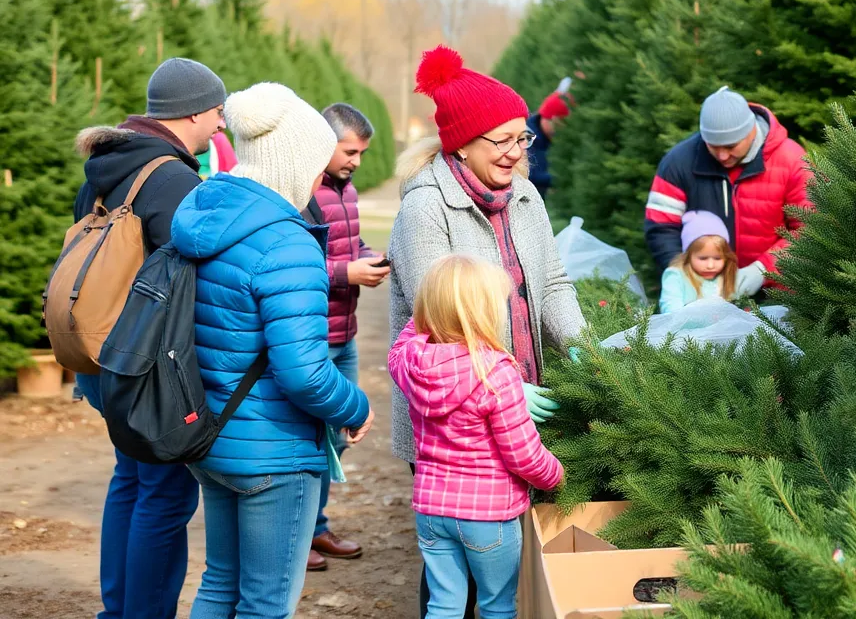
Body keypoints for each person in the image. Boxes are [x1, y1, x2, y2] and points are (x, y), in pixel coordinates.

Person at [388, 45, 585, 619]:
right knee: (457, 580)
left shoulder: (524, 196)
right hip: (454, 412)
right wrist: (493, 385)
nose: (517, 153)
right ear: (464, 142)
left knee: (497, 557)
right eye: (502, 140)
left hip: (509, 402)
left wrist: (590, 356)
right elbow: (438, 315)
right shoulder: (427, 209)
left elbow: (551, 283)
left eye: (522, 138)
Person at [171, 82, 373, 619]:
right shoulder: (288, 243)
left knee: (219, 583)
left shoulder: (206, 214)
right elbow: (304, 373)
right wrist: (356, 407)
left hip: (212, 434)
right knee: (266, 604)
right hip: (274, 454)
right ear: (293, 163)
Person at [72, 57, 226, 619]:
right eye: (216, 112)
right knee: (164, 494)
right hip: (146, 366)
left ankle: (117, 611)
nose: (221, 125)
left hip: (100, 355)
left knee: (130, 481)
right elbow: (199, 267)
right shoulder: (173, 179)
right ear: (190, 114)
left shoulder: (106, 167)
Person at [388, 254, 565, 619]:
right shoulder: (496, 373)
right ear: (485, 313)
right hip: (488, 516)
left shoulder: (410, 362)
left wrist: (433, 306)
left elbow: (401, 342)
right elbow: (524, 455)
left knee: (443, 604)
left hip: (431, 510)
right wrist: (556, 476)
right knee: (497, 605)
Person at [303, 102, 390, 572]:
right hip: (315, 338)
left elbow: (348, 245)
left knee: (338, 437)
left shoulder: (347, 190)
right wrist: (345, 272)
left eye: (361, 153)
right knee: (310, 439)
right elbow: (292, 264)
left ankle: (316, 527)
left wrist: (369, 257)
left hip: (346, 334)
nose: (356, 160)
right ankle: (300, 538)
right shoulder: (304, 190)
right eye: (350, 150)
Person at [644, 86, 813, 298]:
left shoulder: (792, 161)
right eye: (713, 146)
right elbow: (661, 226)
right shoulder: (678, 162)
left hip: (779, 295)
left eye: (731, 146)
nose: (723, 156)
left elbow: (810, 231)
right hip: (704, 293)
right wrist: (684, 278)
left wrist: (763, 270)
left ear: (750, 131)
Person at [658, 211, 738, 314]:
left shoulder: (727, 276)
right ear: (688, 255)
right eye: (703, 258)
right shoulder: (676, 276)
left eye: (718, 258)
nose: (710, 266)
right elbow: (671, 308)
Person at [525, 91, 569, 199]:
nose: (560, 131)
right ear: (550, 119)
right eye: (558, 125)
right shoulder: (527, 138)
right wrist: (564, 179)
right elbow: (530, 175)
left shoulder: (544, 136)